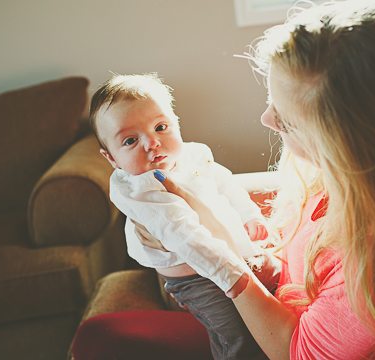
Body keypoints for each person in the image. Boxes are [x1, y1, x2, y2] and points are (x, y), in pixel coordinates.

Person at [140, 1, 375, 359]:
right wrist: (215, 220)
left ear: (348, 145)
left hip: (276, 336)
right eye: (272, 99)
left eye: (287, 120)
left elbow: (296, 352)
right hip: (271, 294)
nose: (266, 118)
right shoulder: (353, 172)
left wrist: (224, 261)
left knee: (104, 336)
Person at [88, 73, 279, 360]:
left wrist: (249, 215)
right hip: (195, 278)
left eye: (161, 127)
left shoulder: (193, 155)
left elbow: (225, 182)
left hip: (231, 250)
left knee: (278, 281)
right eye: (130, 140)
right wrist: (235, 278)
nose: (152, 143)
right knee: (235, 332)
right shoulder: (144, 192)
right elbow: (189, 238)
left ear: (176, 121)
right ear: (112, 158)